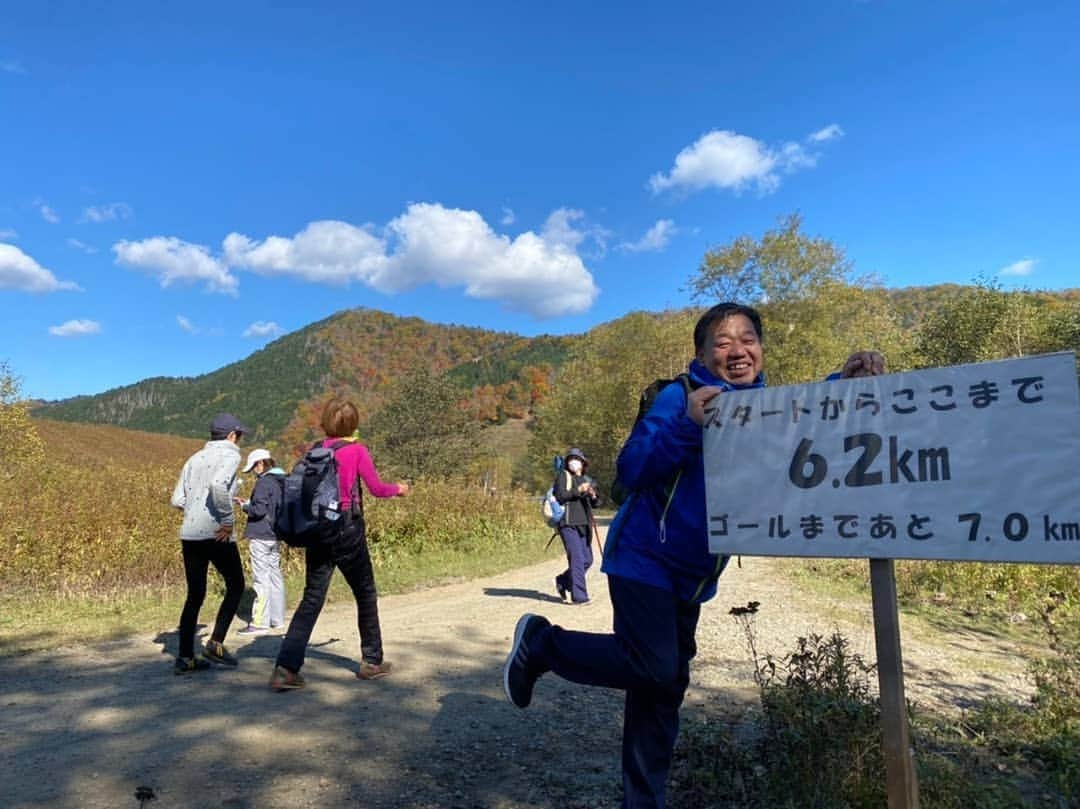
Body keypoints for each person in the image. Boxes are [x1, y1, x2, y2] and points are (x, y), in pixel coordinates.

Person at [503, 302, 885, 808]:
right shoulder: (678, 396)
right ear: (702, 354)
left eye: (748, 339)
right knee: (656, 668)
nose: (738, 350)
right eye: (723, 342)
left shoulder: (763, 407)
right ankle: (543, 643)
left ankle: (644, 800)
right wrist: (688, 424)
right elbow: (632, 469)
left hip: (694, 574)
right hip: (644, 558)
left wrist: (843, 380)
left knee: (661, 692)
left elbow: (805, 417)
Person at [269, 397, 411, 692]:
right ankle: (371, 662)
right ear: (354, 424)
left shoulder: (315, 451)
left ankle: (286, 669)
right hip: (347, 530)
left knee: (312, 598)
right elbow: (377, 489)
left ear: (326, 423)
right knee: (365, 592)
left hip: (317, 531)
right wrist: (399, 489)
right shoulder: (356, 450)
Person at [170, 412, 249, 675]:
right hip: (216, 532)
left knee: (195, 595)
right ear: (230, 435)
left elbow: (177, 499)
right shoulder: (231, 455)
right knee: (236, 584)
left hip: (190, 534)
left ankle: (185, 657)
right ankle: (215, 643)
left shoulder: (194, 458)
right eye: (239, 436)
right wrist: (226, 520)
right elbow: (217, 485)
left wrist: (195, 510)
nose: (239, 441)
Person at [235, 448, 286, 635]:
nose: (253, 472)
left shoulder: (264, 483)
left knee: (261, 578)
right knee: (275, 576)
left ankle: (259, 622)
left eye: (253, 468)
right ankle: (277, 619)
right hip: (276, 534)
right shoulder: (282, 480)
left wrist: (245, 506)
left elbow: (258, 511)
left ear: (260, 464)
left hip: (261, 535)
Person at [553, 447, 600, 605]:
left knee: (587, 559)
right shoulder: (563, 476)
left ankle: (563, 581)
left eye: (577, 459)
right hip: (567, 523)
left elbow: (596, 504)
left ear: (583, 463)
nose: (574, 462)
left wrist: (593, 495)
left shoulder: (588, 480)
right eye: (571, 459)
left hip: (583, 526)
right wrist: (577, 490)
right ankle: (579, 597)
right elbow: (560, 496)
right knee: (578, 559)